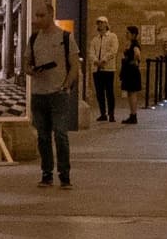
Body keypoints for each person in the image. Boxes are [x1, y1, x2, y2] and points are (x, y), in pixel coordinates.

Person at [27, 13, 81, 187]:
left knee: (60, 134)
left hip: (58, 94)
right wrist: (32, 70)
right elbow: (26, 63)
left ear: (49, 17)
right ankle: (47, 173)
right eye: (36, 15)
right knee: (43, 136)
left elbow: (74, 65)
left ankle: (64, 175)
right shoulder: (34, 38)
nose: (37, 19)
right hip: (39, 94)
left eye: (41, 15)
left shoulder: (65, 37)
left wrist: (66, 86)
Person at [89, 14, 120, 122]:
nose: (100, 25)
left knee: (109, 91)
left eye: (101, 23)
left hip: (108, 69)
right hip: (97, 69)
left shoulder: (112, 37)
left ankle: (111, 114)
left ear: (106, 24)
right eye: (98, 23)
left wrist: (104, 60)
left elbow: (113, 50)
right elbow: (91, 52)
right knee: (99, 92)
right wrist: (96, 61)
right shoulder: (95, 39)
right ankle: (103, 113)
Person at [119, 26, 144, 126]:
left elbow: (138, 54)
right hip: (129, 71)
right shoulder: (130, 44)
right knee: (130, 93)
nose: (126, 34)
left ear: (133, 34)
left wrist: (134, 60)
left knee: (132, 93)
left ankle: (134, 115)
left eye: (128, 33)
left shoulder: (134, 44)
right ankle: (132, 114)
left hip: (132, 71)